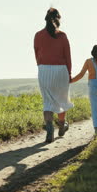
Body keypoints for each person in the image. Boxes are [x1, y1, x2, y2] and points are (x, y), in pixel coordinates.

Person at [34, 8, 74, 143]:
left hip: (44, 70)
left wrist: (42, 67)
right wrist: (69, 73)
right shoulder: (62, 35)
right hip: (60, 70)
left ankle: (49, 127)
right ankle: (62, 125)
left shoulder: (38, 35)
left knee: (48, 102)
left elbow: (37, 55)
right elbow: (67, 56)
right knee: (61, 99)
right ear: (58, 19)